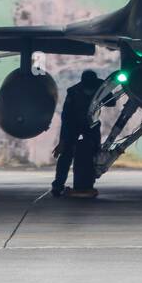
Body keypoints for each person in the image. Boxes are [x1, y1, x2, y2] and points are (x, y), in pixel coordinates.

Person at [52, 70, 104, 198]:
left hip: (91, 125)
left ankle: (87, 183)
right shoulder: (73, 92)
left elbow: (111, 102)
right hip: (73, 124)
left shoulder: (101, 88)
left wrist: (103, 94)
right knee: (66, 154)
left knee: (94, 153)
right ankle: (58, 186)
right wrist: (62, 141)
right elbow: (66, 117)